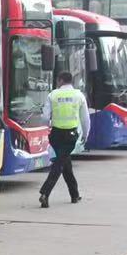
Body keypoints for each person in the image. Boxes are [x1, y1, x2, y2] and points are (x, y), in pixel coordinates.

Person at [39, 71, 91, 208]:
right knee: (60, 163)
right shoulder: (79, 95)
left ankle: (74, 195)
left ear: (60, 80)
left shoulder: (53, 95)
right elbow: (85, 119)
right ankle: (45, 193)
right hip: (70, 135)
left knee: (64, 162)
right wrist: (85, 135)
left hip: (56, 134)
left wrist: (48, 126)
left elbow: (45, 117)